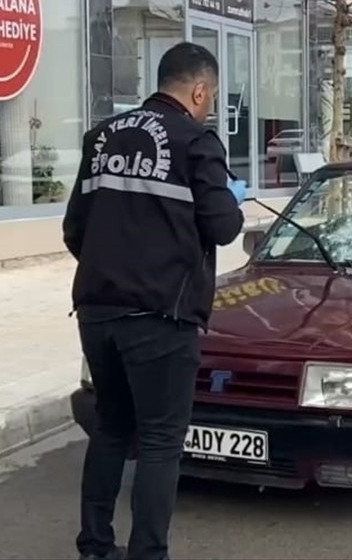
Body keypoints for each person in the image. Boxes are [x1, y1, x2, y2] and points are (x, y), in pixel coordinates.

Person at [63, 42, 247, 560]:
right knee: (162, 440)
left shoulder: (100, 138)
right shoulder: (196, 142)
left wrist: (111, 268)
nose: (207, 106)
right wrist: (230, 196)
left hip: (97, 311)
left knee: (111, 428)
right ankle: (148, 553)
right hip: (161, 316)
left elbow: (74, 229)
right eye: (208, 98)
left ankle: (96, 546)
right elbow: (223, 227)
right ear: (199, 90)